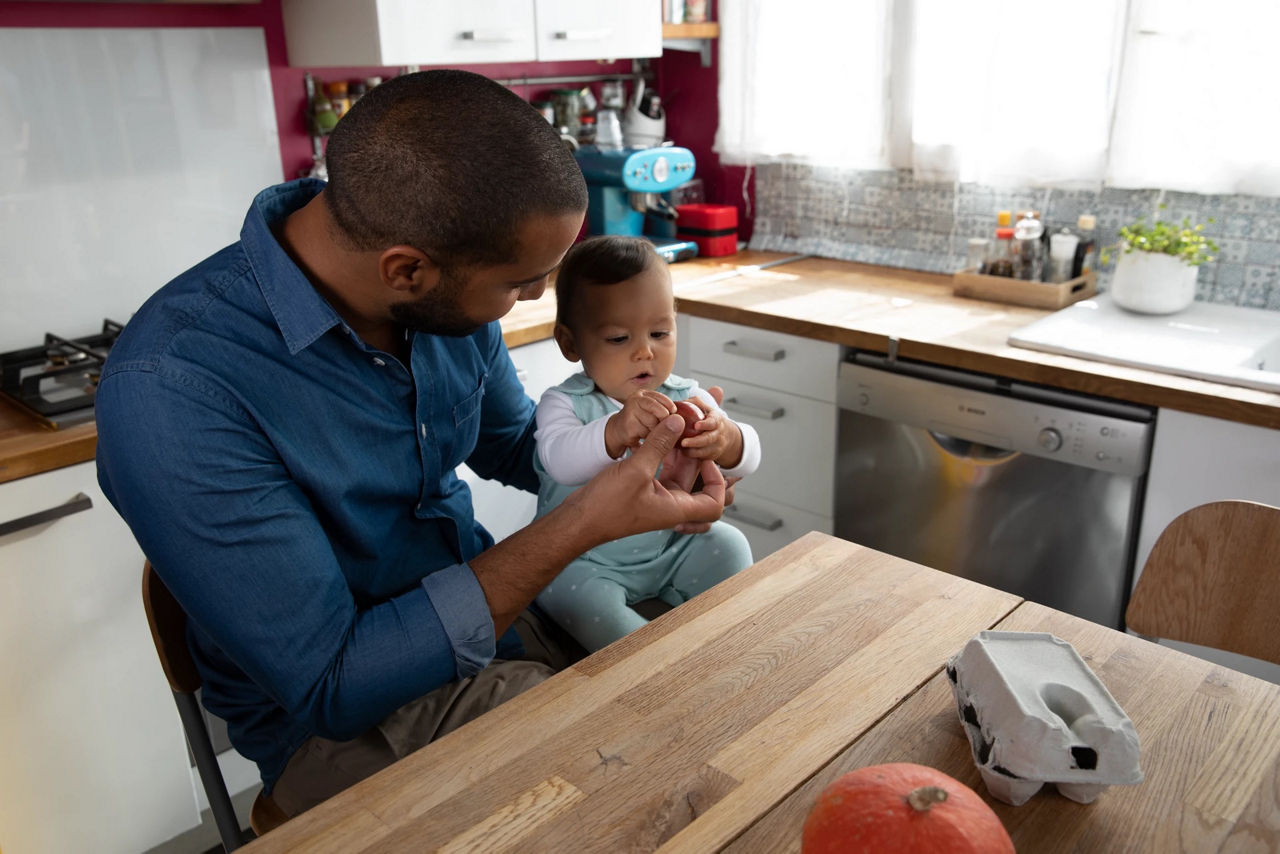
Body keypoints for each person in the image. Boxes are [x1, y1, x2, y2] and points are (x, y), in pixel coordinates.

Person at [94, 70, 727, 818]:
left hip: (501, 628)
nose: (532, 299)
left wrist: (628, 438)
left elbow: (517, 446)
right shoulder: (174, 388)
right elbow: (333, 682)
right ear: (406, 269)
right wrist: (584, 522)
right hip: (344, 725)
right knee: (643, 794)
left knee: (714, 693)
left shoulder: (438, 280)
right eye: (521, 283)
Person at [533, 236, 761, 652]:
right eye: (619, 338)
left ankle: (728, 641)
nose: (645, 352)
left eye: (659, 332)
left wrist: (726, 440)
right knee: (583, 605)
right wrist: (616, 430)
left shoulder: (686, 395)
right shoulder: (565, 403)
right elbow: (559, 462)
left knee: (731, 544)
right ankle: (648, 659)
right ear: (570, 343)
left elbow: (746, 460)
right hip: (584, 561)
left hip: (669, 546)